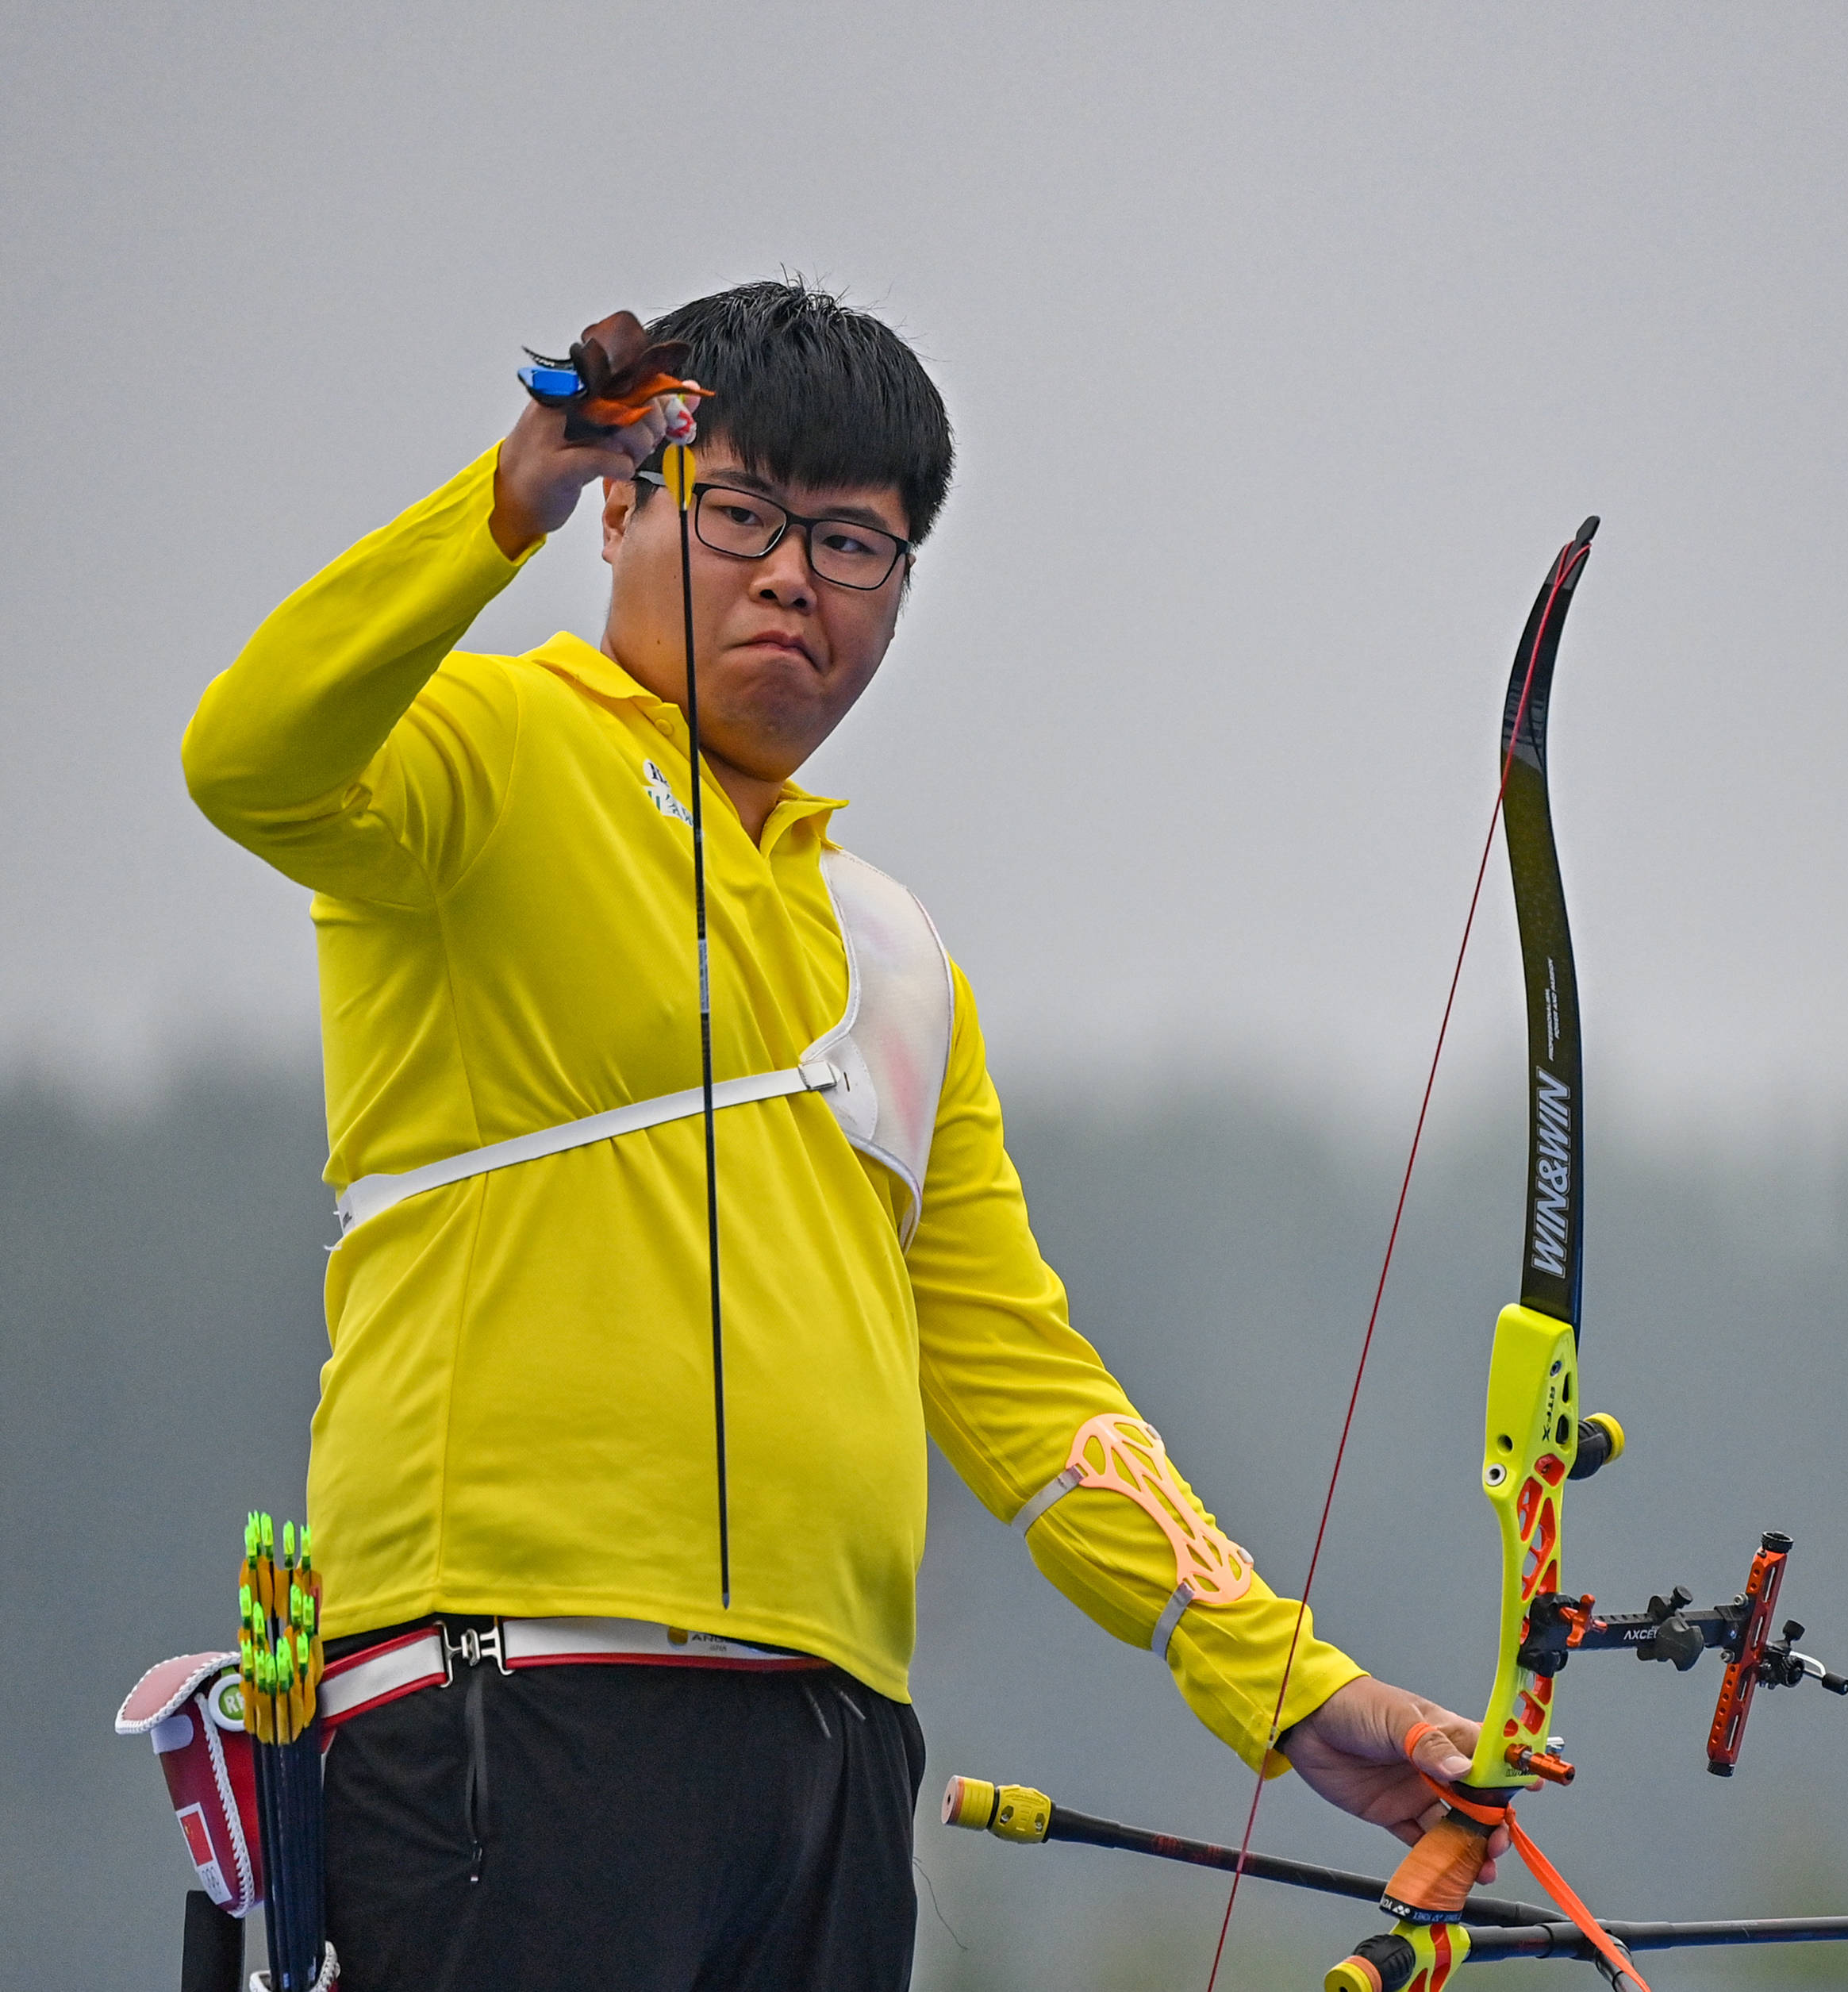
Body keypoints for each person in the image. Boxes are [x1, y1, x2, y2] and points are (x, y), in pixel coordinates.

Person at [182, 279, 1489, 1990]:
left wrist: (1289, 1683)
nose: (793, 574)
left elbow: (1023, 1379)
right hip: (514, 1691)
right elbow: (248, 759)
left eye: (853, 543)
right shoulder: (486, 752)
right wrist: (505, 497)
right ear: (624, 511)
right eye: (740, 511)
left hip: (831, 1747)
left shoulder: (897, 951)